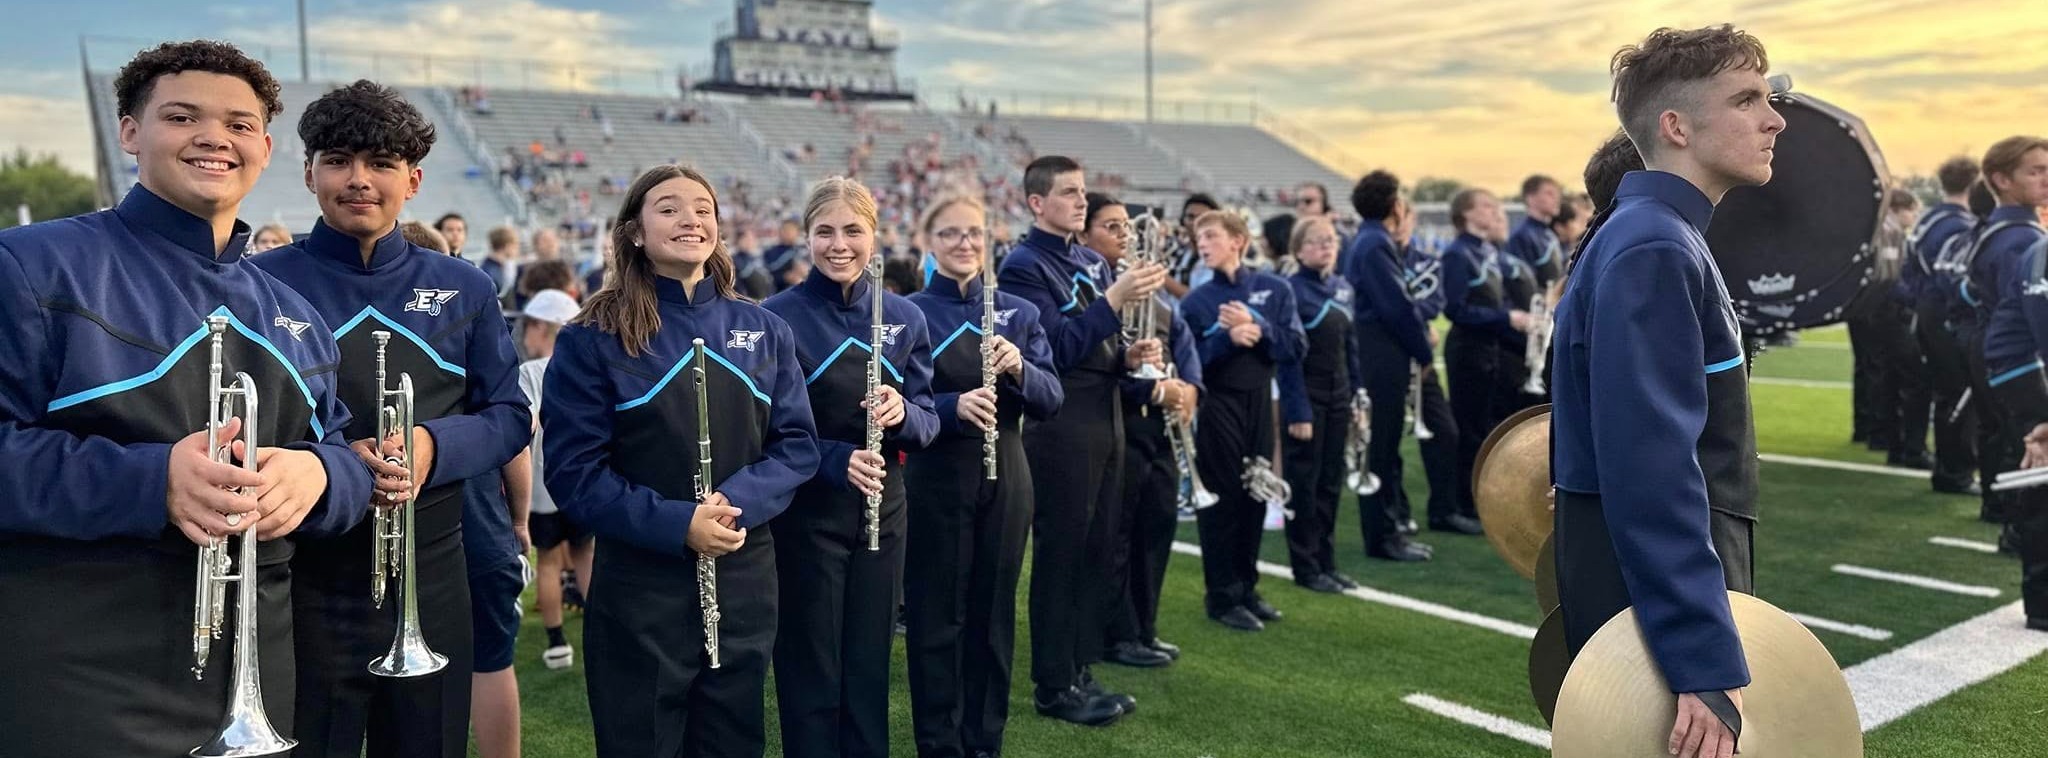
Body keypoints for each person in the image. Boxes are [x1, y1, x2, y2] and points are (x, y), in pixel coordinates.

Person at [0, 39, 374, 758]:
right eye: (181, 116)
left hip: (257, 672)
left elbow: (347, 453)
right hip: (73, 676)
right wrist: (152, 482)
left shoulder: (293, 311)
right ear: (130, 132)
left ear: (264, 147)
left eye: (238, 124)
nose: (214, 138)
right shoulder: (31, 265)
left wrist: (323, 476)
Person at [250, 80, 532, 758]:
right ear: (311, 170)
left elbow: (510, 415)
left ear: (413, 178)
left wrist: (433, 446)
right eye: (339, 159)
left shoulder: (465, 286)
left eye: (380, 163)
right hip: (303, 578)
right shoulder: (262, 282)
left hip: (434, 572)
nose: (358, 180)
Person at [1550, 25, 1787, 758]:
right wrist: (1700, 654)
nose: (1774, 118)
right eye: (1747, 100)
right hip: (1655, 603)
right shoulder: (1653, 241)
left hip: (1653, 582)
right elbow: (1651, 468)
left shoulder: (1656, 232)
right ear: (1676, 127)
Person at [543, 164, 820, 757]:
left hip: (745, 575)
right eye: (668, 208)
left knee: (733, 741)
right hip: (641, 586)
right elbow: (574, 474)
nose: (690, 219)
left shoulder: (765, 329)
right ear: (636, 232)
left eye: (702, 208)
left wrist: (734, 506)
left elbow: (797, 446)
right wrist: (677, 525)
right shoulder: (591, 336)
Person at [763, 177, 939, 757]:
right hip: (806, 515)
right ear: (806, 237)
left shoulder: (907, 316)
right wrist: (837, 460)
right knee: (809, 663)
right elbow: (763, 432)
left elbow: (931, 419)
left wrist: (901, 411)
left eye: (853, 231)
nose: (839, 245)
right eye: (824, 232)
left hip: (883, 512)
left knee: (867, 662)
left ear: (874, 236)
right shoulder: (776, 318)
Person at [998, 156, 1165, 726]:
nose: (1080, 201)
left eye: (1083, 191)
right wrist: (1113, 299)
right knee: (1063, 552)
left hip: (1106, 408)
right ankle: (1053, 684)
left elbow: (1096, 345)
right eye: (1068, 193)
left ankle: (1079, 666)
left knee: (1098, 545)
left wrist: (1128, 355)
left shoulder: (1089, 259)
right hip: (1062, 422)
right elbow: (1059, 348)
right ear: (1037, 203)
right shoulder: (1022, 265)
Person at [902, 193, 1065, 758]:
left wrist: (1019, 366)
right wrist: (951, 408)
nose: (964, 243)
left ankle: (984, 741)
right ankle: (938, 742)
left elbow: (1052, 398)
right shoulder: (909, 312)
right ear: (929, 242)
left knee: (994, 611)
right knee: (935, 613)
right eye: (949, 234)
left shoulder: (1019, 313)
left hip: (1008, 467)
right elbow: (901, 404)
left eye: (973, 233)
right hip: (935, 472)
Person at [1080, 194, 1202, 670]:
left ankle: (1144, 627)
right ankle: (1118, 633)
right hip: (1124, 424)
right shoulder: (1095, 290)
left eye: (1126, 227)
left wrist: (1189, 387)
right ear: (1086, 233)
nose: (1124, 235)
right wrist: (1152, 393)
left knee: (1157, 527)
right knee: (1120, 532)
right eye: (1111, 226)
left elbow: (1183, 341)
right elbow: (1101, 366)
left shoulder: (1156, 295)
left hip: (1162, 430)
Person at [1179, 208, 1305, 632]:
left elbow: (1295, 348)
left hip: (1258, 403)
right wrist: (1226, 338)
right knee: (1223, 498)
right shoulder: (1196, 301)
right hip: (1219, 405)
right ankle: (1222, 596)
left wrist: (1260, 326)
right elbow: (1189, 362)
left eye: (1211, 235)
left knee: (1257, 493)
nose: (1203, 244)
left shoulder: (1275, 288)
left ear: (1238, 241)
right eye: (1199, 238)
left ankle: (1247, 587)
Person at [1339, 171, 1442, 561]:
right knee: (1380, 448)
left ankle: (1391, 528)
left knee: (1384, 447)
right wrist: (1424, 353)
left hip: (1375, 352)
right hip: (1380, 356)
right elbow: (1397, 308)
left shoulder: (1367, 240)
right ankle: (1383, 537)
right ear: (1394, 204)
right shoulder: (1376, 243)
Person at [1969, 136, 2048, 553]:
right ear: (2001, 179)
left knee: (2002, 437)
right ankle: (2020, 531)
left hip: (1988, 347)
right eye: (2035, 171)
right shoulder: (2021, 237)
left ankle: (2002, 514)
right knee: (2031, 448)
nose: (2046, 179)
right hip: (2016, 358)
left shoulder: (1993, 227)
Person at [1278, 213, 1362, 593]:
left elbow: (1351, 347)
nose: (1325, 246)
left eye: (1330, 240)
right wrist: (1297, 410)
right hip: (1307, 396)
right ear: (1297, 250)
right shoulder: (1290, 291)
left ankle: (1326, 561)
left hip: (1340, 394)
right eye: (1315, 241)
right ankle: (1306, 565)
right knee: (1305, 483)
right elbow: (1289, 357)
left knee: (1330, 482)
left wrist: (1358, 395)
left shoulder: (1343, 287)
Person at [513, 288, 594, 671]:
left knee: (547, 561)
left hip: (543, 486)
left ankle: (557, 642)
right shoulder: (584, 367)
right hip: (583, 482)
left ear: (541, 328)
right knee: (586, 553)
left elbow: (522, 430)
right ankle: (599, 632)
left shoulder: (529, 372)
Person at [1440, 188, 1528, 534]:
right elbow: (1456, 309)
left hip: (1491, 350)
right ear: (1466, 213)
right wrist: (1506, 319)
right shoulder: (1457, 254)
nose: (1494, 211)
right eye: (1486, 206)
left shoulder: (1486, 251)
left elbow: (1496, 301)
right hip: (1468, 351)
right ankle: (1465, 502)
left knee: (1487, 426)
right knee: (1470, 429)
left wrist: (1514, 317)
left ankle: (1481, 498)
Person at [1914, 156, 1988, 497]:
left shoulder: (1930, 218)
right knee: (1960, 395)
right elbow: (1953, 275)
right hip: (1946, 313)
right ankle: (1954, 471)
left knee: (1948, 392)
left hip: (1928, 310)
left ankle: (1950, 467)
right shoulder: (1957, 224)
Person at [482, 225, 521, 310]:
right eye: (516, 245)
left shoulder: (493, 267)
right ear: (508, 246)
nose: (518, 249)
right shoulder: (491, 271)